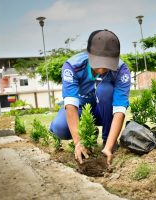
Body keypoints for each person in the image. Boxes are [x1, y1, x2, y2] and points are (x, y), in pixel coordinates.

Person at [49, 29, 131, 164]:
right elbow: (70, 105)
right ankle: (89, 132)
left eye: (107, 64)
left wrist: (109, 146)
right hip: (81, 110)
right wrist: (78, 142)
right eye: (98, 63)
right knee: (60, 128)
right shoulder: (73, 66)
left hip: (105, 112)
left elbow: (119, 110)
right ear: (89, 54)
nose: (102, 70)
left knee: (105, 89)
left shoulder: (121, 70)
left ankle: (106, 139)